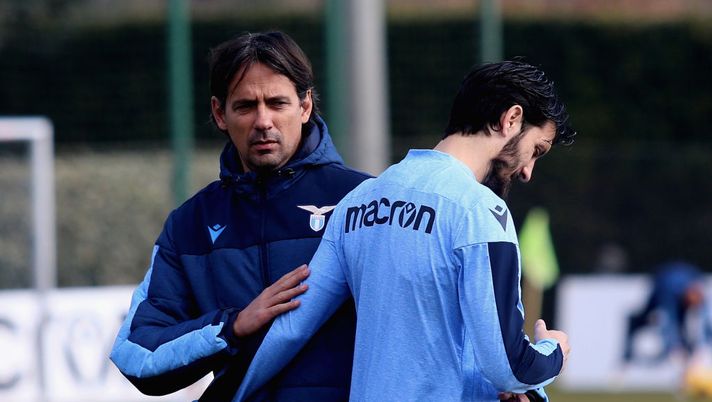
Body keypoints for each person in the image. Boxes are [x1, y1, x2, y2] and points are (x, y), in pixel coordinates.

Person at [233, 60, 575, 402]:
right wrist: (553, 351)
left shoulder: (357, 202)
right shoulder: (480, 210)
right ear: (511, 119)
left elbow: (289, 331)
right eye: (536, 150)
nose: (528, 170)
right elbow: (508, 367)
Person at [109, 31, 370, 401]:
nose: (263, 120)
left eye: (277, 103)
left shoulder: (365, 202)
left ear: (305, 106)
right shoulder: (190, 225)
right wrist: (232, 326)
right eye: (246, 106)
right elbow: (137, 352)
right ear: (220, 113)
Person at [623, 260, 712, 364]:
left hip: (673, 292)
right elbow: (669, 322)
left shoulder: (698, 291)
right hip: (661, 293)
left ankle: (685, 354)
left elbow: (705, 324)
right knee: (649, 322)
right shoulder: (668, 291)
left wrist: (704, 348)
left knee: (684, 334)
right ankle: (625, 360)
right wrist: (674, 347)